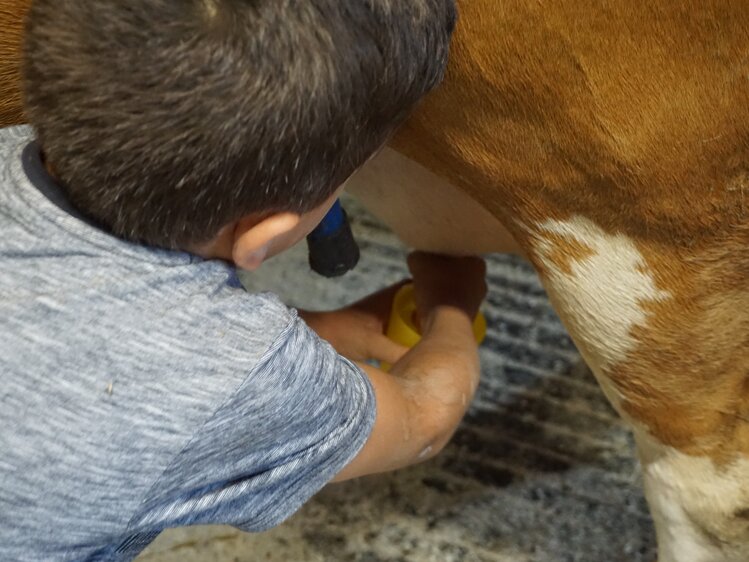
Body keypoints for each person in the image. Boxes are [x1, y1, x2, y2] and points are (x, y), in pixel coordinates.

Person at [0, 0, 486, 560]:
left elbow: (94, 329)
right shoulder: (233, 379)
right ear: (262, 234)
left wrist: (331, 332)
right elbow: (422, 421)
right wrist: (452, 302)